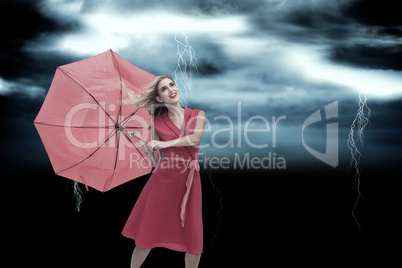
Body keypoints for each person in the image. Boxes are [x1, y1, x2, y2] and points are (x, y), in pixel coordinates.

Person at [122, 75, 206, 268]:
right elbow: (155, 161)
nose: (170, 89)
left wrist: (163, 142)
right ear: (159, 98)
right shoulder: (157, 123)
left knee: (193, 241)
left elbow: (194, 138)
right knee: (147, 236)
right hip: (162, 182)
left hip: (189, 181)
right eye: (164, 89)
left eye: (171, 85)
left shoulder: (198, 114)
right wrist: (143, 143)